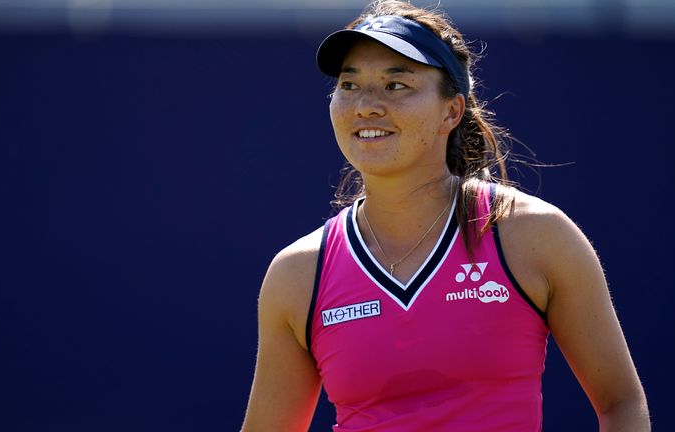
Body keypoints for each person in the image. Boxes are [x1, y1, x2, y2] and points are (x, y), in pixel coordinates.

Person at [241, 1, 650, 430]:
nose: (366, 106)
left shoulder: (534, 235)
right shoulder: (297, 274)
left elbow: (621, 402)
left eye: (396, 85)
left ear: (451, 111)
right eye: (349, 84)